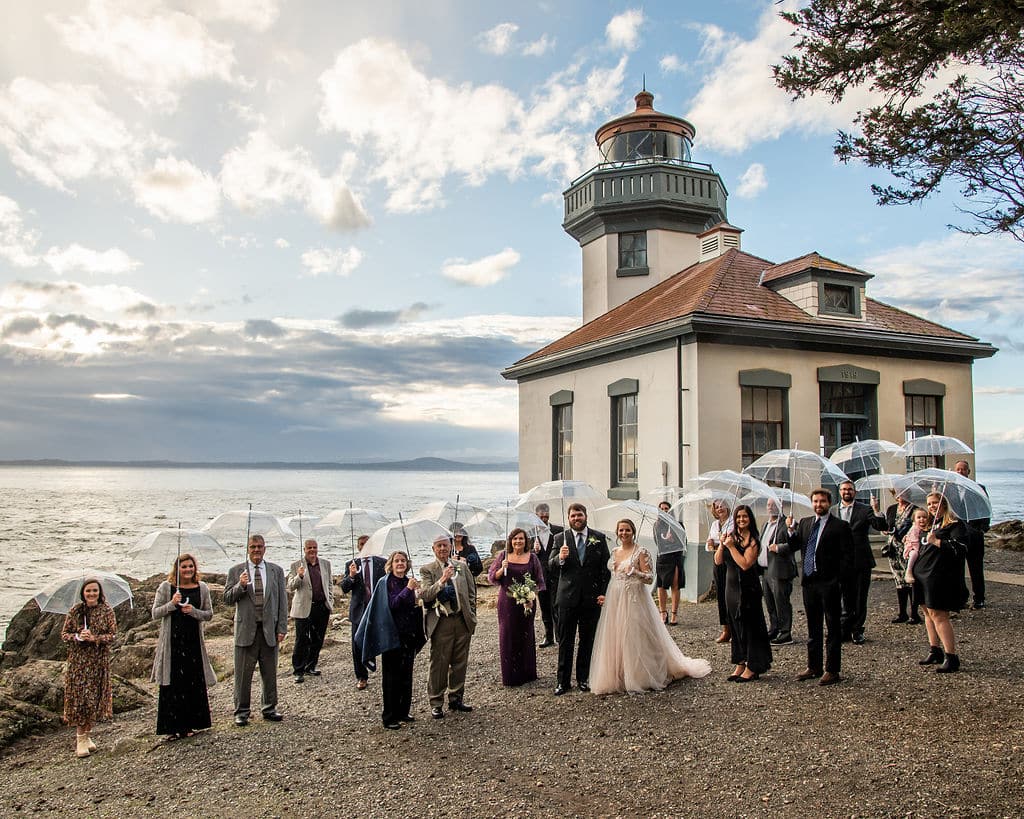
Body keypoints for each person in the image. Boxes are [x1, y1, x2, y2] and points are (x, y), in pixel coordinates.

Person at [590, 519, 710, 694]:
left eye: (627, 530)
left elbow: (650, 578)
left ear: (633, 532)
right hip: (616, 597)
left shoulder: (641, 551)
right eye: (621, 530)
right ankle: (620, 673)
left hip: (634, 598)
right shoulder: (615, 552)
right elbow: (613, 576)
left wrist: (636, 572)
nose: (624, 533)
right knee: (616, 634)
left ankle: (641, 674)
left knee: (635, 633)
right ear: (617, 533)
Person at [788, 489, 853, 686]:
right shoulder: (806, 523)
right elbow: (794, 545)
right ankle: (813, 666)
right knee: (812, 626)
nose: (818, 505)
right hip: (809, 582)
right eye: (815, 501)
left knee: (832, 626)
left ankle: (832, 669)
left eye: (822, 501)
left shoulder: (840, 526)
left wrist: (838, 580)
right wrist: (791, 531)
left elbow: (848, 556)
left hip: (829, 583)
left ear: (829, 503)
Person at [547, 502, 611, 695]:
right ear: (569, 519)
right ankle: (562, 682)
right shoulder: (560, 538)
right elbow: (550, 566)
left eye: (579, 515)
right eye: (573, 516)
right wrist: (561, 558)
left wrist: (603, 592)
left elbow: (605, 569)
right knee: (566, 641)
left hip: (591, 599)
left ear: (586, 516)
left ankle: (583, 678)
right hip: (567, 598)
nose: (576, 518)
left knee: (587, 640)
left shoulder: (598, 538)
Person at [224, 534, 288, 726]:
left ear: (265, 548)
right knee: (243, 675)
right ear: (247, 549)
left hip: (269, 629)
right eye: (253, 547)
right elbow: (227, 599)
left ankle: (269, 707)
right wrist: (241, 586)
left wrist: (282, 627)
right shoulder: (236, 571)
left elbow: (282, 602)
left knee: (270, 673)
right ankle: (241, 712)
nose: (256, 550)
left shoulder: (276, 571)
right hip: (246, 630)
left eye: (259, 546)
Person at [151, 554, 216, 740]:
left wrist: (193, 612)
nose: (188, 570)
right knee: (172, 685)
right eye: (184, 567)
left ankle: (190, 725)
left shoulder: (202, 588)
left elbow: (209, 614)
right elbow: (155, 613)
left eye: (190, 567)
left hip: (193, 642)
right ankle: (172, 727)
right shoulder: (166, 587)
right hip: (172, 642)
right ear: (177, 569)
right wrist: (172, 604)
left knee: (192, 683)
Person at [420, 533, 477, 718]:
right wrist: (442, 580)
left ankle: (456, 698)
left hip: (461, 620)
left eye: (445, 545)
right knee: (440, 663)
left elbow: (471, 591)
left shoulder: (460, 566)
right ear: (433, 549)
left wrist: (472, 614)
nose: (443, 549)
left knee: (460, 662)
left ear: (450, 547)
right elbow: (426, 595)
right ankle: (436, 701)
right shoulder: (427, 569)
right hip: (442, 621)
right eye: (439, 546)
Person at [914, 492, 970, 673]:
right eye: (929, 503)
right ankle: (934, 649)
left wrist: (937, 541)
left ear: (944, 504)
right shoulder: (930, 524)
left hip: (938, 577)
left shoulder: (954, 525)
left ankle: (951, 656)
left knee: (939, 615)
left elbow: (961, 549)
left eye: (935, 503)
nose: (931, 506)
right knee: (927, 614)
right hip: (922, 575)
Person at [61, 578, 115, 758]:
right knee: (80, 699)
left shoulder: (107, 610)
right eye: (88, 591)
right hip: (79, 662)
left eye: (95, 591)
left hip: (98, 662)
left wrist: (95, 639)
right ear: (83, 593)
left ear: (100, 593)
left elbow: (112, 635)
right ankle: (80, 738)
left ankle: (87, 735)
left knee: (94, 699)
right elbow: (64, 635)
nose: (91, 594)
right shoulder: (75, 611)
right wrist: (78, 636)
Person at [717, 506, 772, 682]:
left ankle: (753, 666)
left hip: (748, 589)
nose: (741, 520)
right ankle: (740, 661)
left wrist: (732, 547)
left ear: (750, 519)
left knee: (750, 627)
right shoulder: (730, 537)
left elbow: (745, 564)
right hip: (731, 587)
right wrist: (721, 544)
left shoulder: (754, 541)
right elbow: (718, 561)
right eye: (738, 517)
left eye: (745, 517)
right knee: (735, 625)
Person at [489, 527, 546, 686]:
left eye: (521, 538)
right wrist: (502, 568)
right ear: (510, 541)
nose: (518, 541)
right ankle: (511, 676)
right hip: (507, 602)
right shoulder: (503, 556)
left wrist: (531, 597)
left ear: (526, 541)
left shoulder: (532, 558)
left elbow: (539, 580)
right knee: (508, 635)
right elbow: (492, 577)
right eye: (515, 539)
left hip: (527, 601)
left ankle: (527, 673)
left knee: (526, 634)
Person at [836, 480, 887, 644]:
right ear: (840, 492)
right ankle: (843, 629)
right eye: (844, 489)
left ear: (855, 492)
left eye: (849, 489)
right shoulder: (832, 511)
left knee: (859, 597)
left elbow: (880, 526)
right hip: (840, 562)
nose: (846, 492)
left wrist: (877, 510)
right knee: (843, 596)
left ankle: (857, 630)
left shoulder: (865, 509)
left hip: (861, 561)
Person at [379, 551, 424, 729]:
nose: (400, 564)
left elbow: (412, 605)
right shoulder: (386, 583)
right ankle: (389, 716)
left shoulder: (408, 580)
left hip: (408, 634)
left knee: (406, 674)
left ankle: (403, 711)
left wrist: (416, 594)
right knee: (391, 677)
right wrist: (408, 590)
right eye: (397, 561)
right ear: (391, 563)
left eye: (403, 561)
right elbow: (392, 604)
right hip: (392, 635)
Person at [340, 534, 386, 690]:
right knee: (357, 643)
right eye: (361, 544)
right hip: (359, 609)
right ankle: (361, 676)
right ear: (358, 546)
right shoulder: (351, 564)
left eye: (367, 544)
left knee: (382, 640)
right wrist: (352, 576)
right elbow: (344, 588)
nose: (364, 546)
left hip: (377, 607)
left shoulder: (382, 562)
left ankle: (383, 670)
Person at [287, 538, 333, 683]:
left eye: (314, 547)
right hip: (304, 608)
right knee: (301, 639)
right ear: (304, 550)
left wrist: (329, 600)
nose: (312, 550)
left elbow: (329, 584)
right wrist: (299, 576)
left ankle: (311, 665)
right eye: (309, 548)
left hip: (321, 606)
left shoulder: (325, 564)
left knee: (317, 639)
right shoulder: (296, 565)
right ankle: (298, 670)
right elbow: (290, 586)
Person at [760, 497, 797, 646]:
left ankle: (785, 632)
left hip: (780, 570)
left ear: (780, 506)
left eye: (773, 504)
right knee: (769, 602)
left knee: (781, 601)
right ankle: (774, 628)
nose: (770, 507)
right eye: (768, 504)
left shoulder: (788, 523)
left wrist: (780, 547)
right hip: (765, 570)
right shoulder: (765, 524)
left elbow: (794, 543)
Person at [954, 460, 989, 609]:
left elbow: (986, 508)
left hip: (975, 534)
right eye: (958, 469)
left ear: (969, 472)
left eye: (963, 469)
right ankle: (961, 598)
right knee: (957, 569)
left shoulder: (978, 488)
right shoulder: (949, 489)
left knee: (976, 569)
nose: (961, 472)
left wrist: (982, 528)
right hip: (958, 534)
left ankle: (979, 598)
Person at [880, 491, 920, 624]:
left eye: (902, 493)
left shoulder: (915, 509)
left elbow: (919, 526)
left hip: (908, 549)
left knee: (910, 580)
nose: (899, 496)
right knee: (899, 581)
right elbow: (887, 525)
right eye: (897, 493)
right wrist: (885, 529)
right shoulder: (891, 509)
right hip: (893, 549)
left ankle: (914, 613)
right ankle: (902, 612)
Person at [532, 503, 562, 647]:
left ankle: (559, 636)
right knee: (544, 607)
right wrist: (534, 551)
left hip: (556, 575)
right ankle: (548, 636)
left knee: (557, 605)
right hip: (540, 576)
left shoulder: (558, 531)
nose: (544, 519)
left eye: (546, 517)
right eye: (541, 517)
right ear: (536, 516)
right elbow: (524, 555)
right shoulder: (530, 534)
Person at [706, 500, 734, 643]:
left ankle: (735, 628)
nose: (720, 508)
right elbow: (708, 544)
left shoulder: (733, 522)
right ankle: (726, 629)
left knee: (731, 594)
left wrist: (720, 542)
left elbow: (732, 540)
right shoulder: (714, 525)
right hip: (718, 562)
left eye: (722, 505)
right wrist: (711, 544)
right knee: (721, 595)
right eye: (716, 507)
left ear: (727, 506)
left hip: (731, 561)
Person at [654, 500, 686, 626]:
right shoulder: (657, 525)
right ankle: (662, 612)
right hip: (662, 558)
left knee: (675, 585)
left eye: (666, 508)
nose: (664, 510)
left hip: (675, 558)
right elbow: (658, 542)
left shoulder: (678, 524)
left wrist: (673, 540)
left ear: (670, 510)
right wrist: (666, 541)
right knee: (661, 585)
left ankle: (674, 613)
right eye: (661, 508)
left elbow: (684, 542)